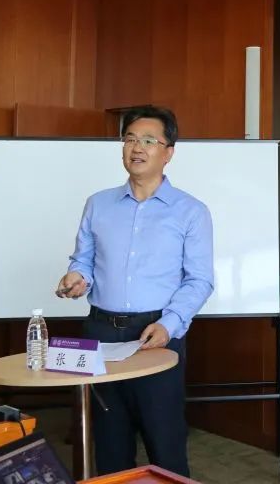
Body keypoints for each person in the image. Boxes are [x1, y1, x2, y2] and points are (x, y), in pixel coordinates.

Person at [55, 106, 213, 477]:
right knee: (109, 441)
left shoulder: (191, 211)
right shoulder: (99, 203)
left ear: (168, 152)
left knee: (164, 442)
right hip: (100, 332)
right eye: (129, 139)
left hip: (155, 334)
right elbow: (84, 261)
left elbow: (199, 279)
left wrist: (169, 325)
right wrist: (76, 278)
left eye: (148, 140)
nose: (136, 147)